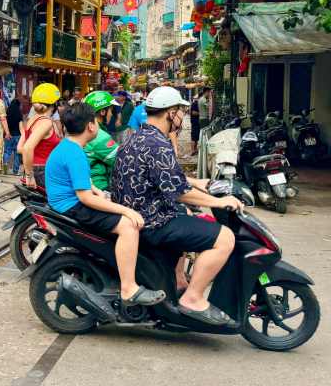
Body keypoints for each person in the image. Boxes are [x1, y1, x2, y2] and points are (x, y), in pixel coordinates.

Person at [112, 86, 243, 325]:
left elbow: (164, 176)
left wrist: (200, 183)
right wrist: (218, 201)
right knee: (224, 238)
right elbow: (180, 192)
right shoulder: (158, 144)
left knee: (189, 216)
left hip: (140, 213)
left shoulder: (139, 137)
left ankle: (180, 282)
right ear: (170, 113)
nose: (182, 116)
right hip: (152, 221)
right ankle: (192, 298)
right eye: (180, 111)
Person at [46, 103, 166, 306]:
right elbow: (84, 198)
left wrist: (96, 190)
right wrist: (126, 210)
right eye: (95, 121)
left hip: (66, 202)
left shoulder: (69, 146)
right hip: (72, 207)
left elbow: (80, 181)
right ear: (91, 126)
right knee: (129, 226)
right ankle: (129, 288)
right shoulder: (75, 153)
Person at [18, 83, 61, 191]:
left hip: (34, 169)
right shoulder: (46, 123)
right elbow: (27, 148)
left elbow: (20, 148)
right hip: (43, 171)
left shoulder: (31, 120)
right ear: (54, 104)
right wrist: (29, 175)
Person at [83, 91, 121, 192]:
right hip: (98, 186)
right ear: (103, 112)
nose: (112, 114)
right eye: (110, 111)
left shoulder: (86, 128)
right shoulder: (99, 136)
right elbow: (121, 160)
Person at [3, 97, 24, 175]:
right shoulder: (19, 113)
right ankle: (15, 171)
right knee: (17, 154)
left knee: (7, 151)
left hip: (8, 135)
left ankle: (5, 164)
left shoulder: (7, 112)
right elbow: (20, 126)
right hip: (17, 135)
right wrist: (23, 135)